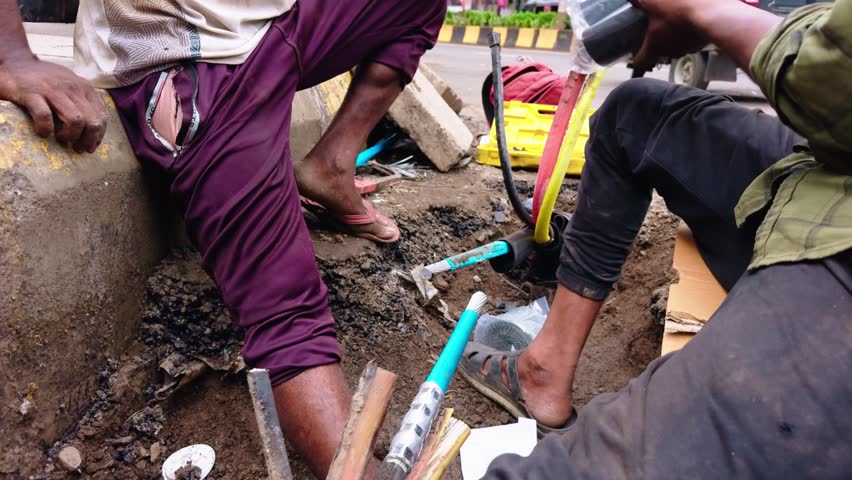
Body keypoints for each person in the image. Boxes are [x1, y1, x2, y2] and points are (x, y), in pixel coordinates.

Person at [0, 0, 444, 477]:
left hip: (273, 22)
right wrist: (10, 55)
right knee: (284, 310)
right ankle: (356, 472)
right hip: (187, 60)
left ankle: (330, 166)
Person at [461, 0, 852, 476]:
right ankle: (544, 369)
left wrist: (707, 12)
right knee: (633, 114)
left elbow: (832, 76)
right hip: (826, 172)